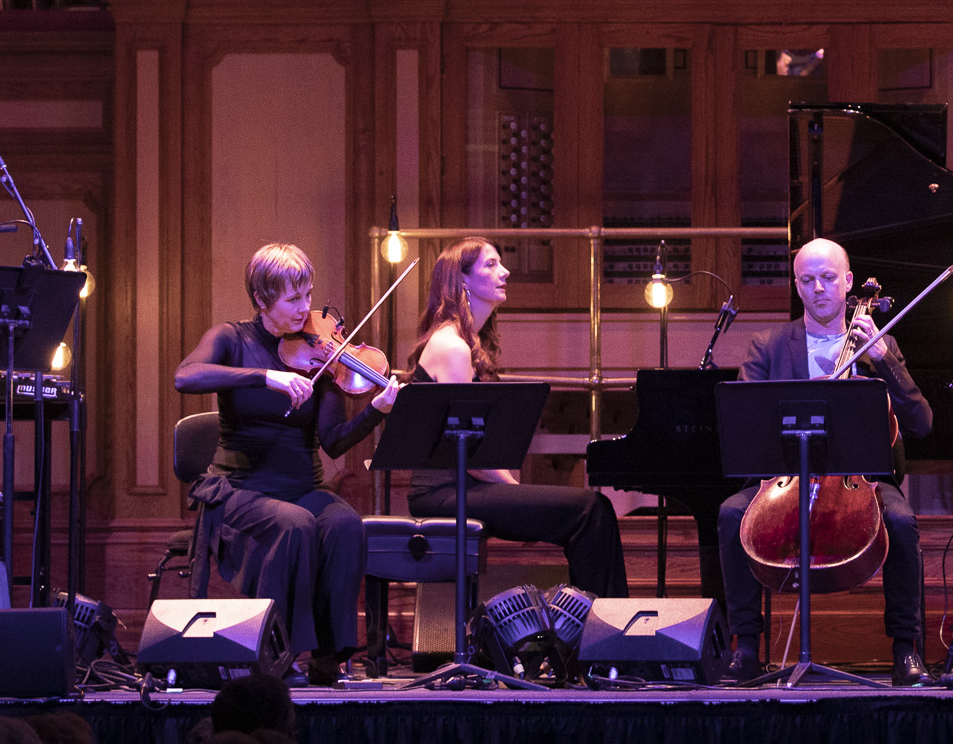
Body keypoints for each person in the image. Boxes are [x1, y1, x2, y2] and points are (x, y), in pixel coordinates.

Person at [714, 237, 934, 687]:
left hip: (861, 479)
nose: (818, 289)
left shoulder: (881, 344)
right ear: (797, 286)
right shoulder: (768, 345)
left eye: (829, 279)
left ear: (849, 282)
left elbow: (921, 422)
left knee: (902, 522)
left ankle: (906, 649)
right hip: (783, 478)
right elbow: (743, 424)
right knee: (731, 513)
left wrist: (883, 360)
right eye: (808, 280)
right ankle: (746, 649)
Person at [176, 244, 399, 686]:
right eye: (292, 299)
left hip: (300, 487)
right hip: (240, 491)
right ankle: (276, 654)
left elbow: (334, 443)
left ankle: (327, 658)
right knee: (294, 524)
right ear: (261, 299)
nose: (305, 309)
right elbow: (186, 376)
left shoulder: (321, 353)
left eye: (308, 296)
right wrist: (265, 377)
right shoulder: (232, 338)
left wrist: (377, 409)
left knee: (346, 524)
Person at [404, 238, 629, 600]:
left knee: (592, 508)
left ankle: (593, 636)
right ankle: (600, 642)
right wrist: (515, 492)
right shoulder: (453, 347)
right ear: (461, 280)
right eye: (490, 265)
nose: (505, 271)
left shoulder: (463, 342)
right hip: (443, 492)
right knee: (591, 510)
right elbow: (471, 455)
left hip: (460, 488)